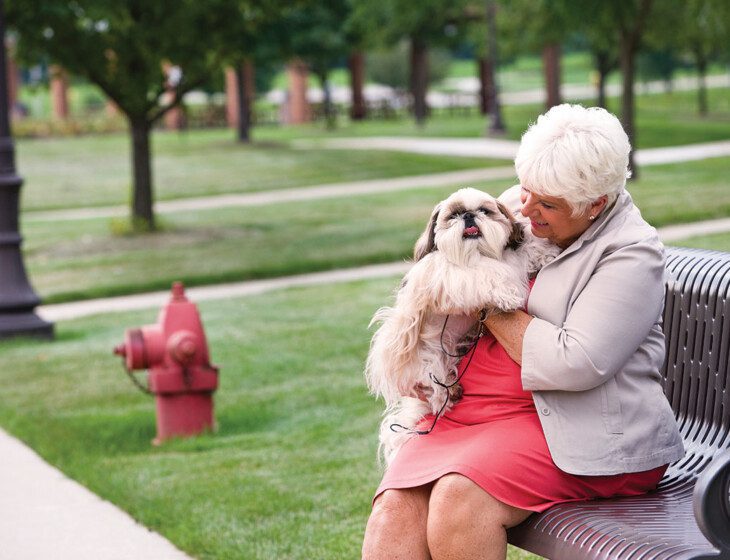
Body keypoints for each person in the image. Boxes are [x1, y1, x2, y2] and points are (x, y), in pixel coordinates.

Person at [362, 104, 685, 560]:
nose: (523, 208)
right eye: (528, 191)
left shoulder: (630, 253)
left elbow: (575, 363)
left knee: (459, 498)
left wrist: (487, 302)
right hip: (476, 413)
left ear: (595, 205)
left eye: (546, 204)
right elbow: (444, 269)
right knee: (393, 510)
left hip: (579, 432)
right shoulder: (525, 206)